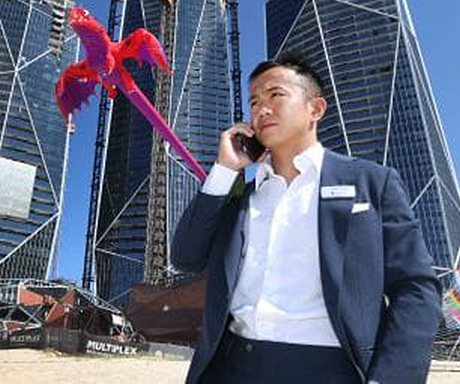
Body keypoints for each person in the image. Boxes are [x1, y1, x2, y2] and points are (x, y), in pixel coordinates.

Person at [171, 51, 441, 384]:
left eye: (275, 95)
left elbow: (415, 287)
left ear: (315, 109)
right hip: (231, 365)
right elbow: (185, 257)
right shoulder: (239, 196)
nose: (261, 109)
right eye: (254, 102)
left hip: (329, 367)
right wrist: (225, 170)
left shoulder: (371, 182)